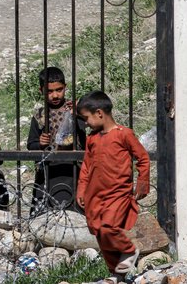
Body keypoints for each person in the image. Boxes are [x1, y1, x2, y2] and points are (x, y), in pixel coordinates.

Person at [76, 90, 150, 277]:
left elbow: (142, 158)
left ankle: (129, 250)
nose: (86, 124)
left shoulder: (124, 134)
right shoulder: (92, 138)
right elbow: (86, 165)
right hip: (95, 194)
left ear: (99, 113)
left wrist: (142, 182)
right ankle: (116, 274)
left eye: (86, 118)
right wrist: (82, 189)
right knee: (99, 232)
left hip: (117, 193)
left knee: (109, 227)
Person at [27, 67, 86, 216]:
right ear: (41, 91)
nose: (55, 95)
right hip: (48, 170)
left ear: (65, 88)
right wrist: (40, 143)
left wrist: (78, 115)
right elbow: (31, 145)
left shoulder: (74, 109)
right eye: (50, 91)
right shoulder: (39, 115)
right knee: (45, 215)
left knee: (73, 212)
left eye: (59, 90)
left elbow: (84, 139)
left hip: (72, 168)